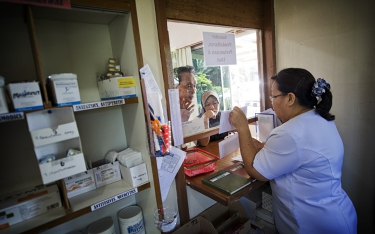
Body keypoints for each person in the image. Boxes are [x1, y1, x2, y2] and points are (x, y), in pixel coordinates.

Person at [229, 68, 357, 234]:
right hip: (335, 213)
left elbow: (255, 171)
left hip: (314, 225)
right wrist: (263, 147)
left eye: (273, 96)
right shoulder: (319, 118)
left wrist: (242, 127)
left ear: (290, 98)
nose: (271, 103)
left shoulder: (289, 133)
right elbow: (300, 154)